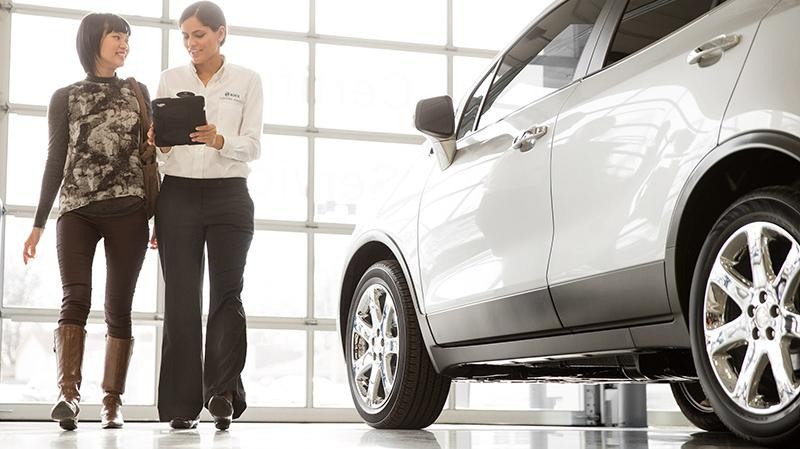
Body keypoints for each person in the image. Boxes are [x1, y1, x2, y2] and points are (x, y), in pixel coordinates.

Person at [22, 12, 152, 430]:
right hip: (77, 210)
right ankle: (68, 395)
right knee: (74, 298)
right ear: (94, 40)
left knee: (119, 306)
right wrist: (39, 223)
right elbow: (55, 161)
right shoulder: (65, 97)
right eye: (117, 36)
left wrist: (160, 215)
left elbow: (154, 157)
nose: (124, 44)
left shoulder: (138, 92)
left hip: (129, 209)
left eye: (127, 38)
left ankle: (112, 401)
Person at [148, 0, 262, 431]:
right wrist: (160, 143)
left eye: (198, 34)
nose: (191, 43)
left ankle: (222, 393)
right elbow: (162, 153)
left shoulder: (248, 81)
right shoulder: (169, 79)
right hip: (176, 196)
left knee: (226, 297)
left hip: (229, 195)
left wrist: (219, 139)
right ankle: (181, 404)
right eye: (185, 36)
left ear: (220, 33)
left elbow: (253, 145)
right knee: (180, 298)